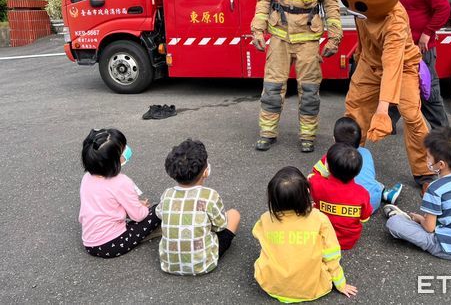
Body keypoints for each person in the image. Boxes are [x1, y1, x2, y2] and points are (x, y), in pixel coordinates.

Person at [334, 0, 432, 193]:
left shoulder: (395, 19)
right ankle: (346, 166)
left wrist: (382, 109)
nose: (352, 8)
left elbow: (392, 64)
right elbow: (365, 35)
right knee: (353, 111)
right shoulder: (360, 2)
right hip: (369, 64)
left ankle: (426, 172)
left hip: (403, 66)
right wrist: (356, 54)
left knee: (411, 114)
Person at [251, 0, 343, 153]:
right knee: (272, 88)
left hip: (309, 41)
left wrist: (334, 36)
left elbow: (331, 3)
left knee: (310, 92)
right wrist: (258, 29)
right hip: (280, 37)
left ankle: (307, 136)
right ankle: (267, 133)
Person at [253, 166, 357, 302]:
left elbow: (256, 232)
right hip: (312, 288)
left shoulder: (266, 218)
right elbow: (331, 255)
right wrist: (341, 284)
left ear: (272, 198)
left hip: (272, 285)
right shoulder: (319, 219)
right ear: (307, 192)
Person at [383, 127, 451, 260]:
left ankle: (402, 218)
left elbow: (429, 228)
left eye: (428, 157)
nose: (426, 159)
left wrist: (420, 219)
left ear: (441, 164)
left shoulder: (434, 188)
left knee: (394, 223)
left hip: (447, 248)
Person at [156, 139, 240, 275]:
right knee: (234, 214)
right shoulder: (210, 195)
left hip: (168, 264)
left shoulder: (167, 194)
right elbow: (221, 226)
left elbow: (160, 214)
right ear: (205, 172)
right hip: (203, 264)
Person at [389, 0, 451, 130]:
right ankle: (388, 123)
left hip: (421, 48)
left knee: (427, 90)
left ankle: (442, 131)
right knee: (397, 86)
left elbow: (444, 9)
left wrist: (428, 32)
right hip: (400, 47)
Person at [79, 128, 161, 258]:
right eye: (123, 150)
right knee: (159, 209)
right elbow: (138, 216)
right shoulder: (121, 182)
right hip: (112, 243)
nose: (126, 150)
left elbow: (106, 203)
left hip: (89, 243)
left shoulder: (87, 177)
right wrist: (142, 208)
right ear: (114, 160)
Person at [310, 116, 403, 212]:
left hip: (345, 206)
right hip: (373, 202)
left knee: (330, 181)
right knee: (371, 181)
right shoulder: (366, 153)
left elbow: (314, 175)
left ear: (334, 140)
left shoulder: (331, 156)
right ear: (359, 139)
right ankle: (386, 194)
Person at [309, 143, 372, 250]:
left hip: (322, 237)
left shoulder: (317, 184)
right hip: (349, 241)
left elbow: (311, 176)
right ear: (357, 172)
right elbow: (364, 218)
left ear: (328, 167)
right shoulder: (362, 193)